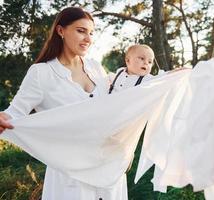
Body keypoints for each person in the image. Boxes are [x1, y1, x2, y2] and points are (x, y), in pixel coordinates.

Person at [0, 7, 127, 200]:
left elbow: (126, 90)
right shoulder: (41, 73)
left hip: (108, 171)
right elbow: (16, 112)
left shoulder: (96, 67)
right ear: (61, 31)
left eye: (91, 33)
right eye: (81, 31)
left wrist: (168, 79)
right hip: (70, 175)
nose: (88, 39)